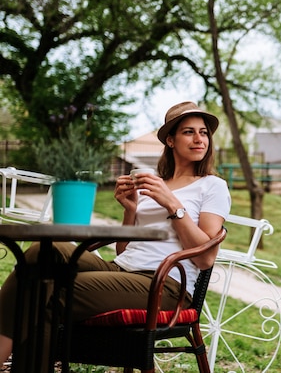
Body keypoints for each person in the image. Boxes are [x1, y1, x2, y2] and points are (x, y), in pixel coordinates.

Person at [0, 100, 231, 365]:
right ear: (170, 140)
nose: (199, 139)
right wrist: (130, 210)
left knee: (46, 291)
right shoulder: (156, 183)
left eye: (203, 132)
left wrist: (173, 205)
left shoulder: (212, 186)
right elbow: (124, 251)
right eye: (189, 132)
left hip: (164, 285)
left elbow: (204, 258)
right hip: (121, 271)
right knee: (45, 250)